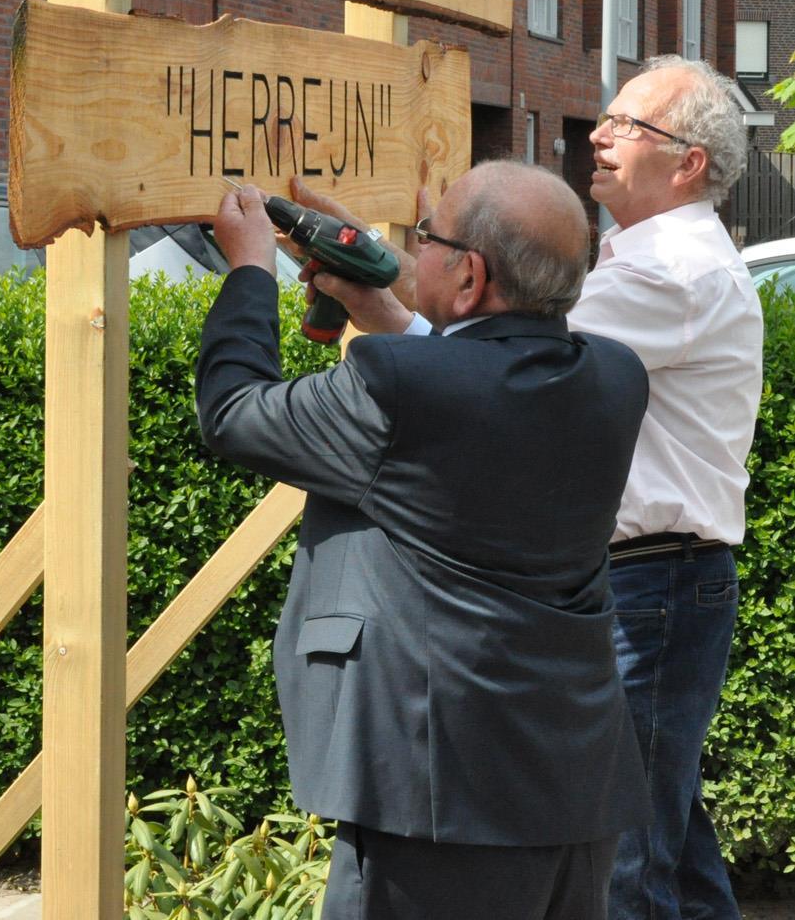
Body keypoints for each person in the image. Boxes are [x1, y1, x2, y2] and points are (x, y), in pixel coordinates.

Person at [293, 57, 763, 920]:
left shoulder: (670, 273)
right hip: (651, 582)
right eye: (606, 118)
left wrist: (381, 269)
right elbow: (482, 351)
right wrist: (390, 293)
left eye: (630, 126)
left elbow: (497, 348)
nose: (599, 134)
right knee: (668, 848)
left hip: (648, 584)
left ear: (689, 160)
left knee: (630, 862)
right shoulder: (656, 260)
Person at [196, 161, 651, 920]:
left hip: (436, 798)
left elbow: (235, 412)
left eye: (426, 240)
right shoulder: (614, 377)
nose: (415, 254)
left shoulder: (400, 384)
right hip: (573, 785)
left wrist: (246, 268)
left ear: (468, 276)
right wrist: (377, 302)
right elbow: (476, 383)